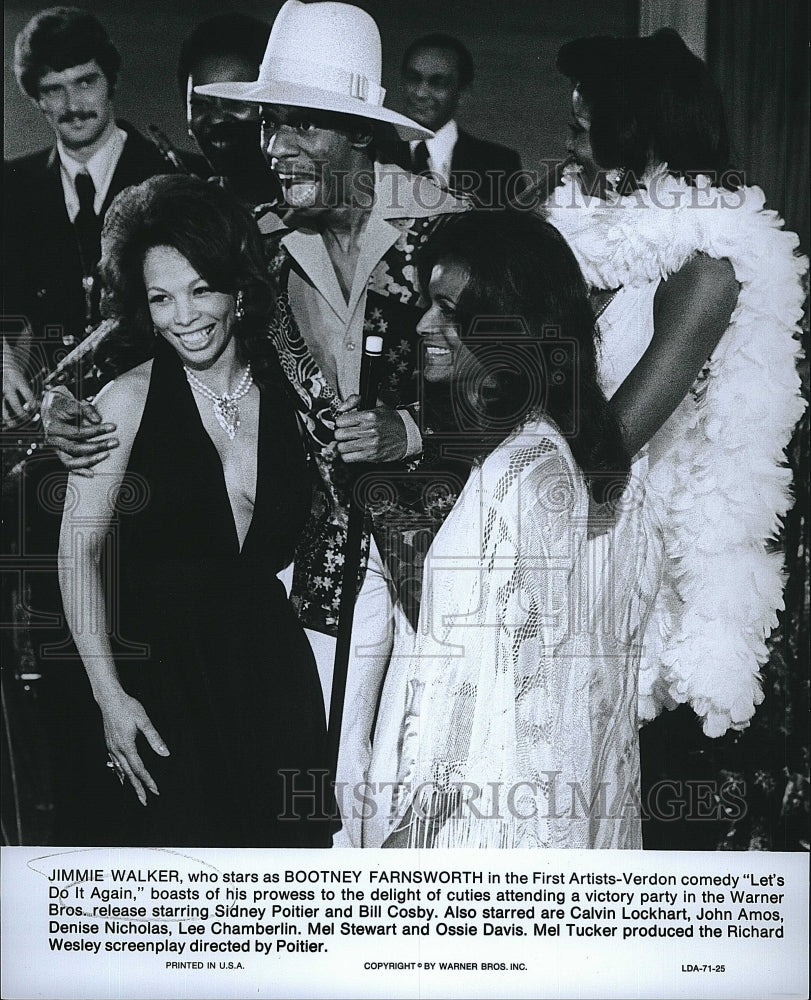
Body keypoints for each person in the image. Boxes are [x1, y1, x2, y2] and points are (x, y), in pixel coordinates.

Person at [362, 209, 662, 849]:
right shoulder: (539, 452)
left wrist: (415, 828)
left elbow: (508, 686)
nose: (424, 325)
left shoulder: (525, 471)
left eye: (448, 309)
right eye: (426, 302)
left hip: (480, 824)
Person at [546, 30, 806, 741]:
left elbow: (610, 443)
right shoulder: (589, 236)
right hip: (559, 521)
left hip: (627, 550)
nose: (566, 145)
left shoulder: (703, 270)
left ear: (632, 128)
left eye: (578, 126)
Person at [57, 174, 332, 847]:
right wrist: (109, 696)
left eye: (200, 289)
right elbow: (76, 554)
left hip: (272, 679)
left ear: (237, 289)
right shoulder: (125, 399)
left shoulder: (293, 387)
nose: (184, 317)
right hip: (162, 687)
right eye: (161, 298)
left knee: (290, 894)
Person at [379, 33, 523, 206]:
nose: (420, 93)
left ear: (462, 92)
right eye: (413, 78)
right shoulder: (376, 151)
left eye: (437, 83)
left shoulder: (499, 164)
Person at [177, 13, 281, 207]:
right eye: (200, 104)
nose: (216, 119)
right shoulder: (184, 218)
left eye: (235, 102)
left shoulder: (319, 222)